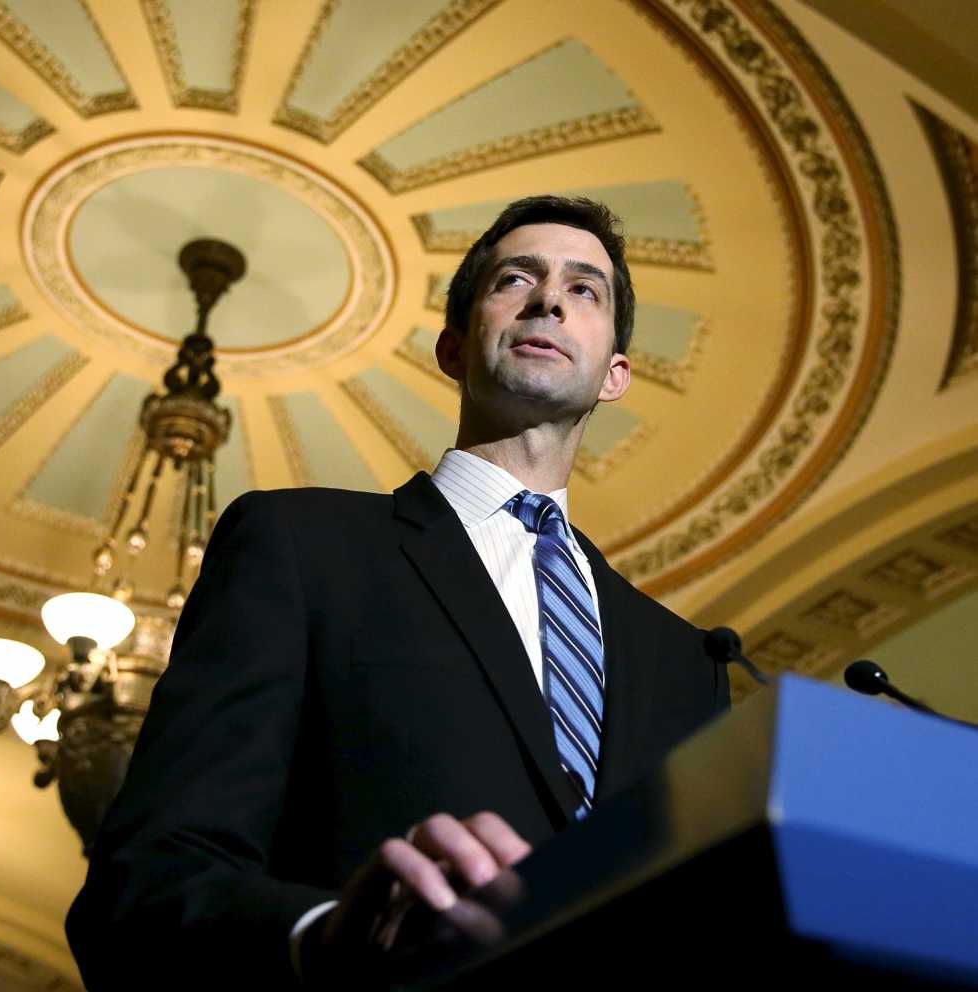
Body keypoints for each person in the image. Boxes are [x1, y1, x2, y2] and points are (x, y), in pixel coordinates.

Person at [67, 196, 730, 986]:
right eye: (515, 278)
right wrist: (325, 937)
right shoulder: (300, 546)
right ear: (453, 347)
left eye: (585, 290)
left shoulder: (687, 660)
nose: (549, 298)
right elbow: (143, 884)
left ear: (615, 372)